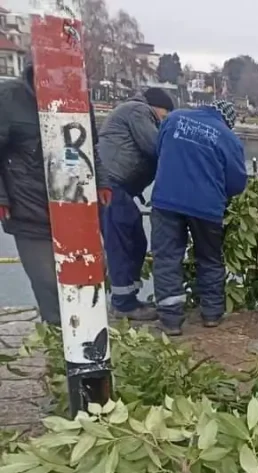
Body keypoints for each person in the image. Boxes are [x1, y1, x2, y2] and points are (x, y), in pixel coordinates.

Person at [0, 61, 111, 325]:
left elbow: (90, 147)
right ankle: (57, 338)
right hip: (28, 207)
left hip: (75, 204)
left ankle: (90, 334)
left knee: (95, 271)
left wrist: (102, 182)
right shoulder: (8, 98)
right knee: (48, 280)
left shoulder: (77, 95)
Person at [150, 100, 246, 336]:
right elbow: (237, 181)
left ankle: (171, 320)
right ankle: (212, 314)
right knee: (210, 257)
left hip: (167, 201)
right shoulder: (229, 138)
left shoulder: (173, 119)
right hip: (207, 207)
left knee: (167, 257)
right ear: (228, 120)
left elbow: (158, 151)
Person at [97, 88, 175, 320]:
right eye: (163, 117)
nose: (163, 122)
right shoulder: (137, 110)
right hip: (111, 186)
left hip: (118, 189)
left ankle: (127, 298)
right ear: (156, 108)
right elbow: (155, 147)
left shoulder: (135, 111)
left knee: (135, 241)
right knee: (123, 242)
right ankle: (123, 303)